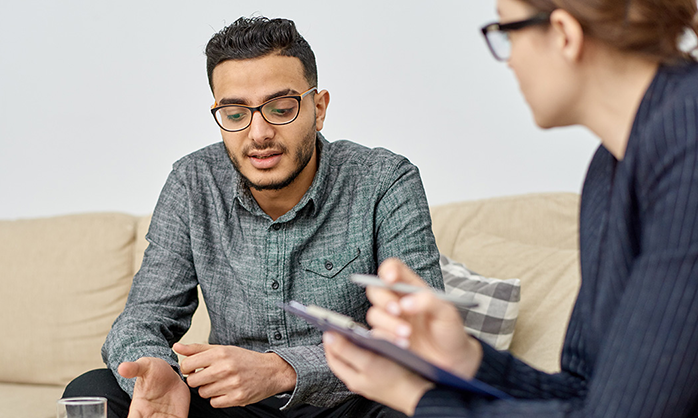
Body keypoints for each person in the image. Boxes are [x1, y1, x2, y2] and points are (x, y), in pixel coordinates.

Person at [323, 0, 698, 417]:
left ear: (563, 33)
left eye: (507, 33)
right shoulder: (608, 169)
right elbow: (583, 393)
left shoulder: (688, 144)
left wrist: (415, 397)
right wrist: (467, 358)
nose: (509, 61)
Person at [63, 16, 445, 418]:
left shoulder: (384, 180)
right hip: (232, 407)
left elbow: (420, 339)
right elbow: (141, 322)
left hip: (351, 400)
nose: (259, 133)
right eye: (234, 114)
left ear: (318, 108)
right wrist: (161, 371)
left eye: (281, 108)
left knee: (429, 406)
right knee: (91, 390)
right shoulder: (193, 182)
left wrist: (283, 370)